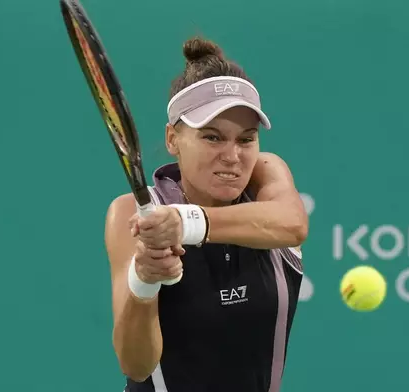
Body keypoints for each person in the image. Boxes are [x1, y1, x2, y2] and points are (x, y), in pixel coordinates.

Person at [104, 36, 308, 392]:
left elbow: (293, 223)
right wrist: (145, 279)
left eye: (246, 139)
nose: (232, 156)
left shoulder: (267, 175)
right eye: (212, 137)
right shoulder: (130, 213)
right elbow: (136, 365)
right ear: (172, 139)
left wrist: (186, 222)